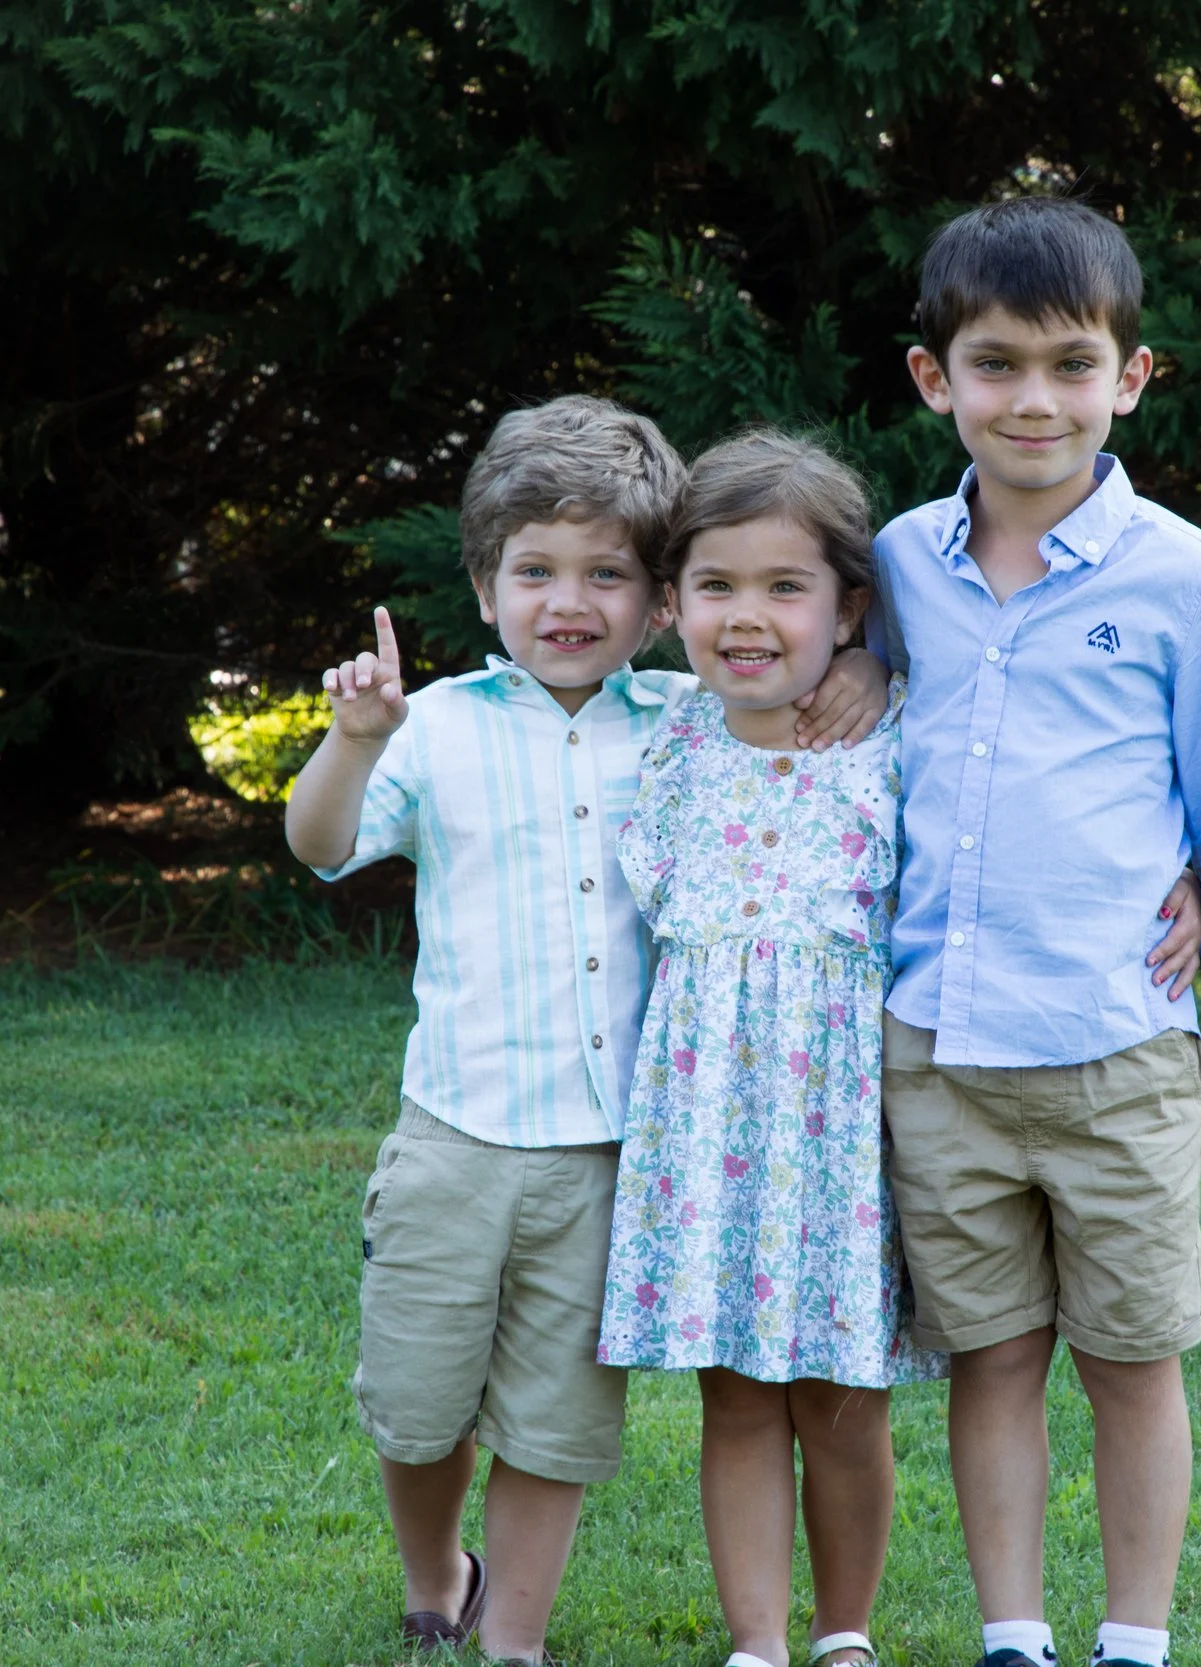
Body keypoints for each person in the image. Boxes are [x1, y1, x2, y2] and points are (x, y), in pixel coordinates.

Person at [283, 396, 886, 1663]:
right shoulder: (434, 724)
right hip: (454, 1131)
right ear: (484, 581)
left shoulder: (685, 722)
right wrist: (350, 741)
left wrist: (865, 667)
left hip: (611, 1151)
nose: (570, 600)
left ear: (656, 597)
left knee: (554, 1420)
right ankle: (433, 1568)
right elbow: (323, 847)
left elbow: (796, 691)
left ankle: (514, 1635)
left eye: (607, 571)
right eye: (536, 570)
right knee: (415, 1407)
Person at [596, 430, 1201, 1667]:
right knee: (733, 1394)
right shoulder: (654, 739)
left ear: (852, 605)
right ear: (670, 605)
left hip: (855, 1132)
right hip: (707, 1137)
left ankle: (843, 1628)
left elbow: (1033, 809)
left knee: (843, 1396)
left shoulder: (897, 743)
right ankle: (757, 1638)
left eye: (786, 587)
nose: (748, 617)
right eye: (714, 587)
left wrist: (1182, 873)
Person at [872, 198, 1201, 1667]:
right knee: (989, 1352)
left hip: (1119, 1041)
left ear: (1130, 377)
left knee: (1132, 1355)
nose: (1034, 399)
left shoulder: (1183, 576)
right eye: (995, 365)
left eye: (1071, 363)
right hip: (936, 1049)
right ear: (936, 379)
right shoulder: (894, 565)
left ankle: (1134, 1637)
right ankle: (1014, 1630)